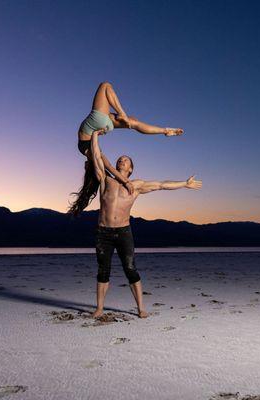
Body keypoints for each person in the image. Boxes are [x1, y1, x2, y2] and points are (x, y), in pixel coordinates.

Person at [88, 128, 202, 319]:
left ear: (130, 168)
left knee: (130, 269)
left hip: (124, 232)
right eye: (120, 159)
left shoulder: (137, 186)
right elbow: (97, 156)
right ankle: (99, 309)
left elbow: (161, 184)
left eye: (125, 160)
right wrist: (95, 135)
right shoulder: (105, 180)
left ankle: (141, 308)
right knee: (103, 270)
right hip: (103, 233)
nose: (121, 160)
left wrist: (184, 183)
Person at [69, 82, 184, 216]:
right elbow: (109, 167)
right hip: (97, 124)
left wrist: (125, 181)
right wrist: (125, 181)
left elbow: (109, 167)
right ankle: (163, 130)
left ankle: (164, 130)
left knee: (131, 119)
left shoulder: (92, 153)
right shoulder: (88, 150)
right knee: (109, 92)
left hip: (98, 124)